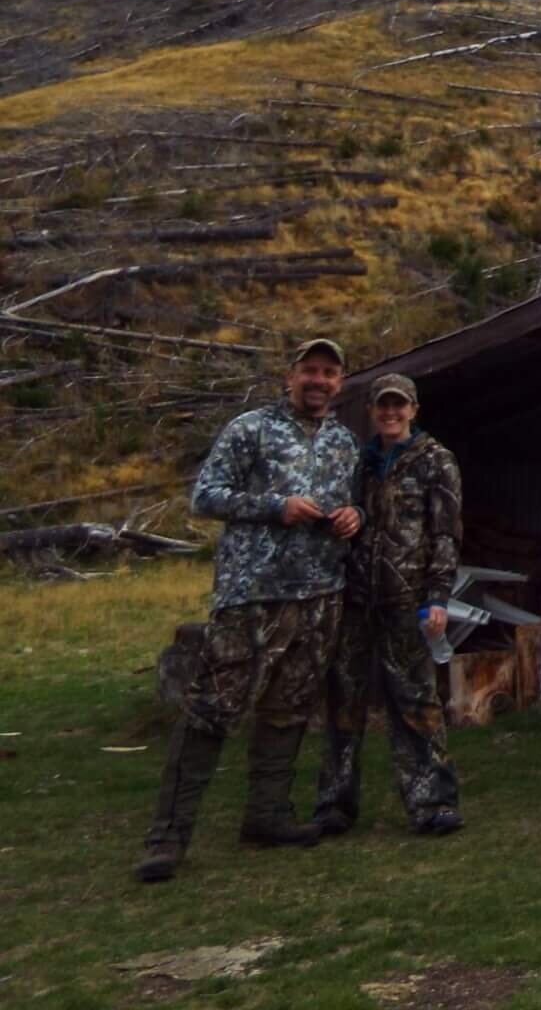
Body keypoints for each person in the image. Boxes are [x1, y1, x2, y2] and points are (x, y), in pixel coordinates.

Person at [135, 337, 363, 883]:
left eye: (329, 373)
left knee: (288, 709)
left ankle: (267, 816)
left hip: (319, 594)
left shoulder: (344, 441)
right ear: (290, 376)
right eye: (309, 370)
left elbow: (353, 500)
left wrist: (354, 516)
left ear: (339, 383)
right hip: (252, 595)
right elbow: (205, 496)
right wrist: (273, 507)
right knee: (212, 708)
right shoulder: (250, 429)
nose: (319, 380)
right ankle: (167, 837)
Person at [315, 371, 465, 836]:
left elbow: (446, 535)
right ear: (372, 410)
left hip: (408, 600)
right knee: (343, 700)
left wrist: (437, 597)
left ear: (414, 410)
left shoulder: (437, 461)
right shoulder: (357, 462)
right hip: (356, 598)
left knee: (417, 702)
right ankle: (335, 804)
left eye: (399, 405)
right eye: (383, 404)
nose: (391, 412)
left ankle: (431, 803)